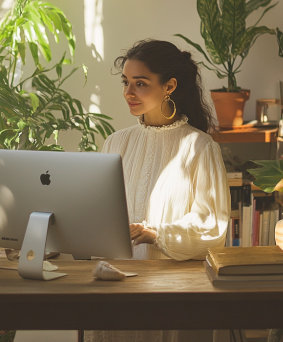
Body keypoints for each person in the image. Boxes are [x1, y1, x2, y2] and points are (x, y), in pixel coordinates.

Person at [85, 39, 231, 342]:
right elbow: (93, 215)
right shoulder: (115, 143)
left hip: (173, 294)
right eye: (126, 82)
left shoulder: (200, 147)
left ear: (170, 86)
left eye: (140, 83)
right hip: (116, 289)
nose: (128, 92)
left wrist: (158, 234)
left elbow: (212, 225)